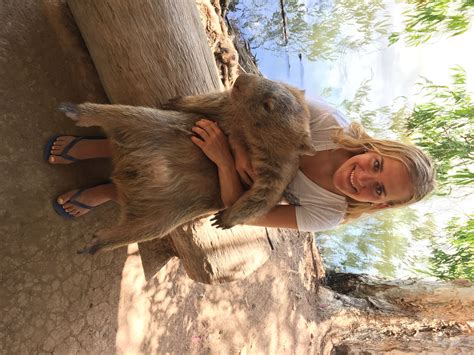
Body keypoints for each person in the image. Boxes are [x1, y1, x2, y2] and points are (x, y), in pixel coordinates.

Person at [45, 98, 435, 231]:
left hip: (229, 180)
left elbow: (241, 214)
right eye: (378, 164)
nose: (362, 176)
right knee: (191, 134)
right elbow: (255, 98)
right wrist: (235, 144)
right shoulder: (329, 123)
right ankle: (104, 148)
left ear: (379, 205)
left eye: (378, 189)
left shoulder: (328, 214)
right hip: (232, 127)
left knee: (201, 195)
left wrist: (226, 164)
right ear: (376, 147)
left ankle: (112, 191)